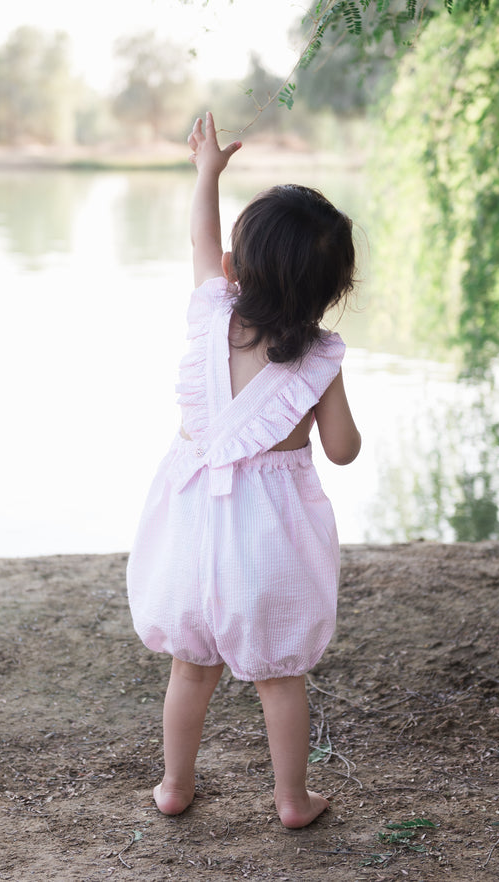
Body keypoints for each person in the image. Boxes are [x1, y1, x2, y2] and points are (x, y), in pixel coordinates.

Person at [126, 111, 361, 829]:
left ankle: (174, 785)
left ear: (235, 267)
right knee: (280, 677)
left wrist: (208, 172)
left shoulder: (209, 316)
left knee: (190, 668)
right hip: (269, 538)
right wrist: (324, 412)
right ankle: (292, 800)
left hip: (192, 529)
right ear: (331, 288)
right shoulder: (320, 359)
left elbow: (200, 237)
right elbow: (343, 449)